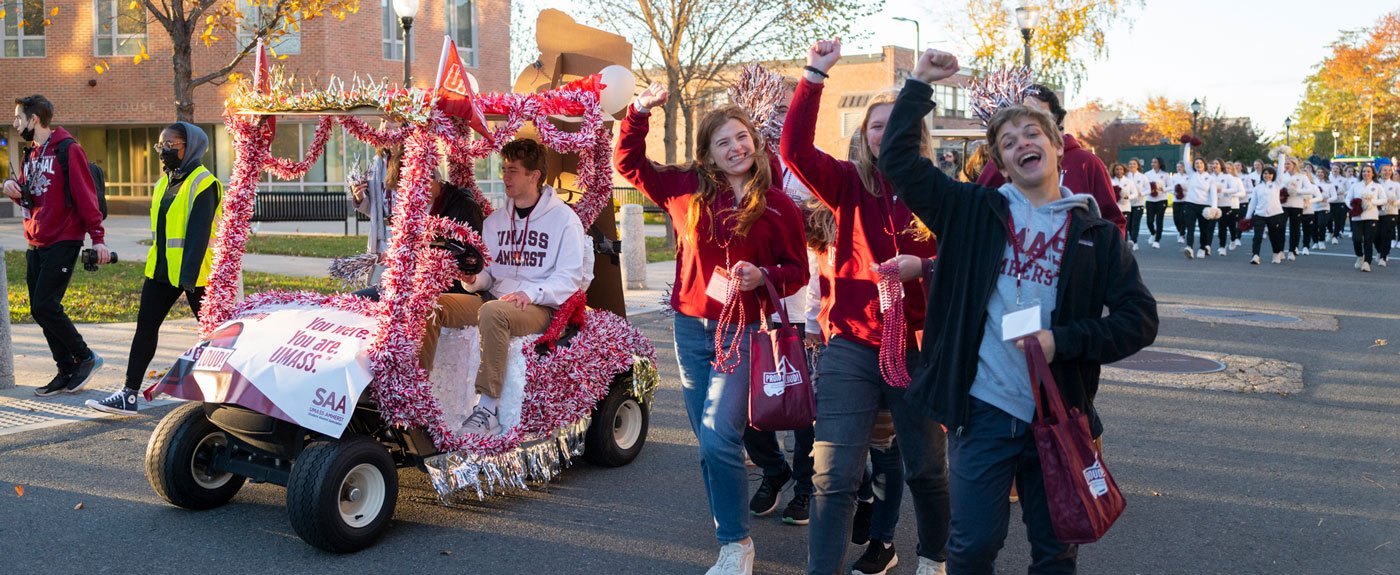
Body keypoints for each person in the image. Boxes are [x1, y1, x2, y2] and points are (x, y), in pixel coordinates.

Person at [879, 48, 1157, 575]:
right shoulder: (972, 212)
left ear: (1056, 147)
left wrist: (1064, 341)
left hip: (1059, 415)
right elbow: (897, 160)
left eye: (1033, 134)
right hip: (984, 410)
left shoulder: (1093, 235)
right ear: (1000, 163)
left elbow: (1140, 319)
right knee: (972, 548)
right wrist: (918, 83)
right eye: (1008, 142)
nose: (1022, 144)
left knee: (1056, 551)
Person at [617, 82, 809, 575]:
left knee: (719, 435)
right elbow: (629, 165)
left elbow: (798, 271)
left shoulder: (778, 204)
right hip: (691, 328)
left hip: (744, 332)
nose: (735, 148)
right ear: (708, 153)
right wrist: (638, 112)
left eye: (741, 137)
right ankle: (729, 524)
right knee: (708, 440)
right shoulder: (685, 190)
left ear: (754, 142)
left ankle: (735, 543)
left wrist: (764, 276)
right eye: (723, 142)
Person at [783, 39, 948, 575]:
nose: (884, 132)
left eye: (894, 123)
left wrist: (921, 269)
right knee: (833, 475)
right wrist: (814, 76)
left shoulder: (937, 192)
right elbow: (794, 152)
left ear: (913, 133)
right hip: (852, 346)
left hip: (918, 348)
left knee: (925, 467)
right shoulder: (847, 184)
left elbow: (968, 263)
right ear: (864, 136)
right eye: (875, 125)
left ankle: (932, 558)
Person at [418, 138, 593, 436]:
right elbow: (490, 275)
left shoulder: (565, 221)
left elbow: (570, 279)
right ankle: (416, 391)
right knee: (430, 304)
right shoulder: (496, 221)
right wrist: (473, 279)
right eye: (503, 169)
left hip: (540, 307)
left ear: (534, 175)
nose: (504, 177)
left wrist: (532, 293)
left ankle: (487, 409)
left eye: (512, 171)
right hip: (495, 300)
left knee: (493, 313)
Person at [86, 122, 220, 414]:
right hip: (160, 271)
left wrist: (187, 279)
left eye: (172, 145)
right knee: (145, 329)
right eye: (162, 145)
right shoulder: (164, 183)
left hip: (195, 274)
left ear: (191, 147)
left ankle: (229, 393)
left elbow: (198, 235)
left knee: (214, 335)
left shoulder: (204, 182)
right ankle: (129, 393)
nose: (165, 151)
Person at [746, 78, 818, 527]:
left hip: (802, 302)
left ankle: (807, 487)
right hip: (753, 306)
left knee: (801, 407)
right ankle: (774, 470)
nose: (776, 119)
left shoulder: (810, 166)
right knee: (753, 402)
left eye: (784, 111)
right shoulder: (751, 165)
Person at [3, 95, 110, 397]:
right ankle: (65, 368)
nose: (16, 123)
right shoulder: (31, 155)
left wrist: (98, 238)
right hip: (36, 240)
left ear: (33, 119)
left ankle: (86, 357)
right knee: (40, 310)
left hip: (65, 238)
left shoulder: (68, 149)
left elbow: (85, 196)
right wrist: (13, 190)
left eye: (18, 118)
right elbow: (31, 197)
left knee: (45, 305)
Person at [974, 85, 1126, 236]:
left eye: (1037, 118)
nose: (1023, 142)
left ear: (1054, 120)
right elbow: (977, 212)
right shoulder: (1004, 163)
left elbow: (1113, 223)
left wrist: (1098, 253)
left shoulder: (1087, 163)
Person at [1243, 167, 1287, 265]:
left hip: (1274, 214)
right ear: (1262, 175)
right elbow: (1253, 203)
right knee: (1257, 236)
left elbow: (1280, 171)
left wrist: (1281, 154)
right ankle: (1255, 255)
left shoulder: (1276, 184)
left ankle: (1276, 254)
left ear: (1273, 175)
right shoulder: (1257, 187)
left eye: (1270, 174)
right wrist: (1248, 216)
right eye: (1265, 173)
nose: (1267, 176)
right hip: (1260, 214)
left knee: (1274, 236)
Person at [1345, 163, 1384, 272]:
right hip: (1357, 216)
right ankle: (1359, 256)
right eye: (1364, 171)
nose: (1366, 173)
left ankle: (1367, 262)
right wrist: (1354, 206)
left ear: (1373, 174)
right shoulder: (1355, 185)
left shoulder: (1377, 186)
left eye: (1368, 171)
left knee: (1368, 239)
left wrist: (1372, 202)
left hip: (1371, 216)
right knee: (1356, 239)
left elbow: (1383, 199)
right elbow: (1348, 199)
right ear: (1361, 173)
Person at [1180, 155, 1219, 260]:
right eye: (1196, 163)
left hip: (1204, 206)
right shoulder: (1192, 174)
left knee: (1203, 229)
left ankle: (1202, 248)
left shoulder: (1210, 178)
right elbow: (1185, 160)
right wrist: (1188, 144)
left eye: (1200, 163)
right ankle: (1189, 248)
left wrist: (1214, 208)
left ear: (1204, 165)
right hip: (1190, 204)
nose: (1198, 165)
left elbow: (1213, 194)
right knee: (1190, 228)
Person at [1213, 159, 1247, 256]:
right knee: (1221, 227)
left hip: (1233, 205)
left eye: (1229, 168)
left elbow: (1240, 191)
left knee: (1232, 225)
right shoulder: (1213, 177)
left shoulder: (1234, 179)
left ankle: (1233, 239)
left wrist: (1229, 193)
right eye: (1226, 168)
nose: (1227, 169)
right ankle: (1222, 247)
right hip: (1218, 205)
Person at [1143, 157, 1170, 248]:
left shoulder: (1165, 174)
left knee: (1159, 220)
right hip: (1150, 200)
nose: (1153, 163)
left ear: (1159, 163)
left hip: (1161, 200)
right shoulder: (1147, 174)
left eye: (1155, 162)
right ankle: (1153, 233)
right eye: (1152, 162)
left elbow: (1170, 186)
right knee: (1149, 221)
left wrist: (1164, 189)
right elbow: (1144, 187)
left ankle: (1157, 240)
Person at [1375, 164, 1399, 265]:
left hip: (1391, 213)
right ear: (1380, 172)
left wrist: (1394, 203)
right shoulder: (1375, 184)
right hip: (1376, 214)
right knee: (1376, 235)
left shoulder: (1396, 185)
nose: (1387, 172)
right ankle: (1380, 251)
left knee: (1386, 235)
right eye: (1384, 170)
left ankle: (1383, 257)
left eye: (1389, 170)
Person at [1125, 158, 1149, 250]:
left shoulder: (1143, 177)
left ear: (1138, 165)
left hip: (1138, 204)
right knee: (1129, 225)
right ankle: (1131, 240)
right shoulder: (1126, 176)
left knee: (1135, 224)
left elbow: (1148, 189)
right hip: (1127, 204)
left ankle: (1134, 242)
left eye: (1134, 164)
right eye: (1130, 164)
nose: (1132, 166)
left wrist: (1141, 193)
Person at [1168, 162, 1190, 244]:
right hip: (1176, 200)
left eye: (1180, 166)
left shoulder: (1188, 177)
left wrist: (1184, 190)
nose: (1179, 168)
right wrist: (1175, 192)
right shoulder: (1174, 177)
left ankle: (1182, 234)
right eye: (1177, 167)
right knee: (1176, 218)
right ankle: (1179, 230)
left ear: (1184, 167)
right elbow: (1170, 187)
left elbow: (1190, 187)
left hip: (1185, 200)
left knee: (1183, 217)